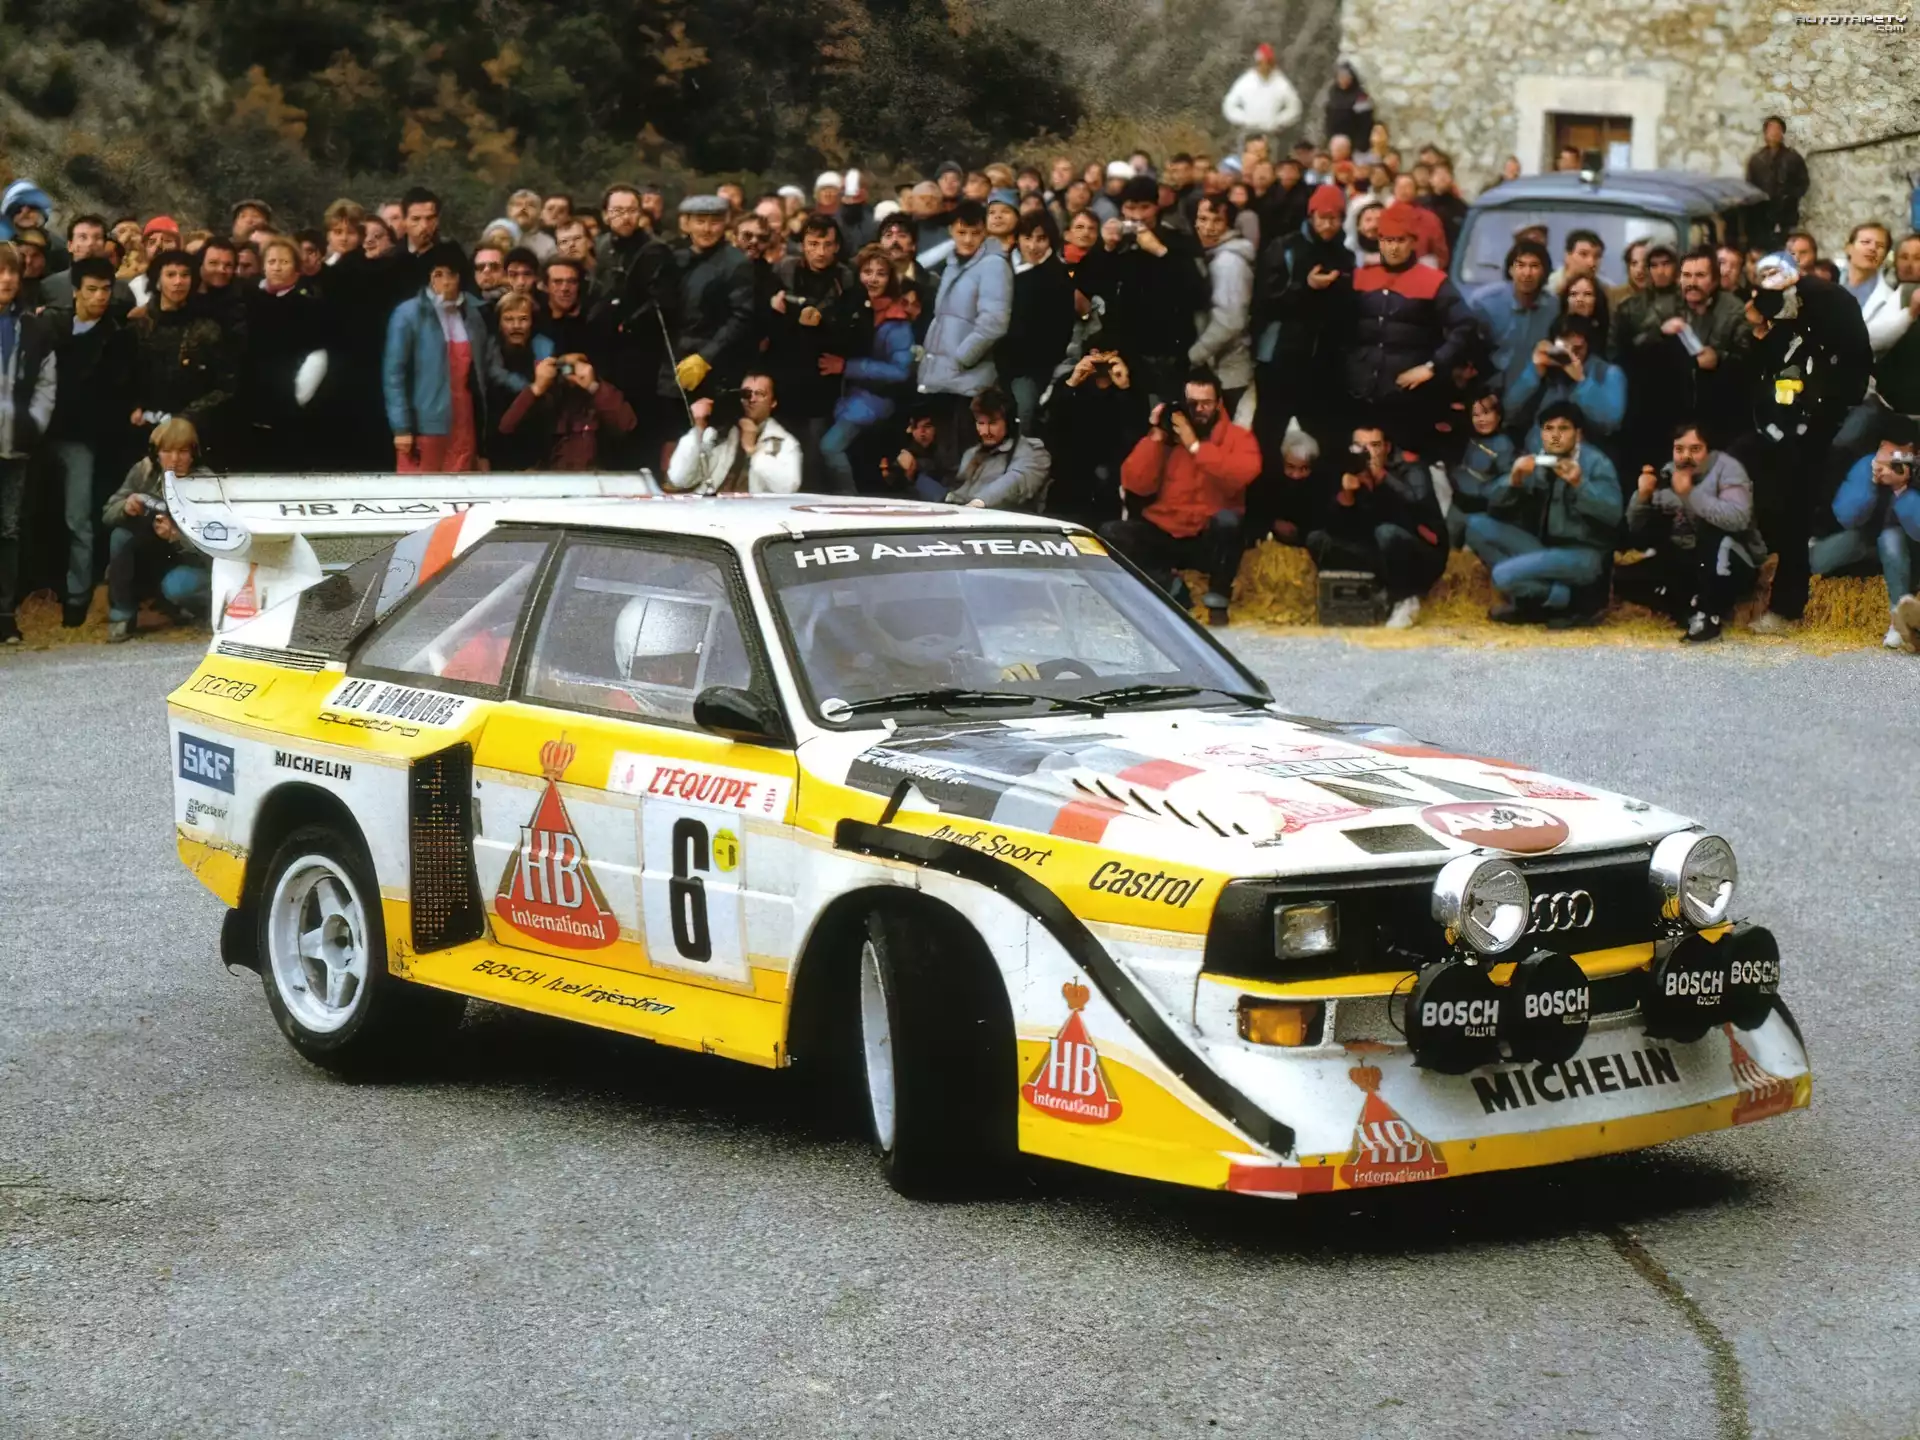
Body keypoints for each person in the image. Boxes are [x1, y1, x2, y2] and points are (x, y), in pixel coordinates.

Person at [1742, 253, 1874, 632]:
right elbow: (1764, 367)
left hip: (1820, 422)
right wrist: (1759, 333)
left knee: (1796, 511)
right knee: (1771, 502)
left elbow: (1853, 372)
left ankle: (1787, 608)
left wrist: (1817, 413)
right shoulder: (1775, 309)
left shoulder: (1830, 303)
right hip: (1777, 421)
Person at [1104, 369, 1262, 624]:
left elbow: (1243, 474)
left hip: (1206, 541)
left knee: (1228, 521)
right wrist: (1157, 436)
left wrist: (1195, 447)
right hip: (1166, 533)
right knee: (1112, 533)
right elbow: (1135, 484)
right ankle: (1171, 589)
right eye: (1193, 403)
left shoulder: (1237, 437)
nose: (1199, 410)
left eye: (1206, 403)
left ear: (1219, 403)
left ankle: (1217, 600)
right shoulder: (1167, 438)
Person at [1465, 400, 1623, 627]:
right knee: (1476, 526)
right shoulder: (1539, 459)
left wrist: (1580, 485)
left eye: (1563, 429)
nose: (1555, 436)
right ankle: (1550, 598)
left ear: (1578, 434)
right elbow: (1496, 507)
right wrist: (1513, 480)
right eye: (1548, 429)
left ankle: (1569, 602)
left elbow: (1614, 515)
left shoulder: (1597, 463)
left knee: (1502, 576)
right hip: (1546, 548)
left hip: (1585, 556)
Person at [1342, 206, 1477, 456]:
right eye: (1387, 240)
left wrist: (1432, 366)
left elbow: (1465, 325)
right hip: (1360, 394)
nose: (1393, 247)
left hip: (1408, 399)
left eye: (1400, 240)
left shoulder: (1434, 281)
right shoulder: (1359, 278)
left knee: (1408, 465)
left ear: (1413, 242)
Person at [1618, 422, 1767, 642]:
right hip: (1689, 560)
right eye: (1679, 449)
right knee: (1624, 579)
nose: (1686, 456)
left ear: (1709, 452)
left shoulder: (1728, 473)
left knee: (1715, 540)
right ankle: (1687, 605)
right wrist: (1642, 496)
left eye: (1695, 449)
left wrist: (1689, 494)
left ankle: (1707, 616)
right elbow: (1635, 528)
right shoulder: (1667, 475)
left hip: (1731, 559)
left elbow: (1737, 520)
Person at [383, 246, 523, 474]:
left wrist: (528, 387)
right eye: (438, 274)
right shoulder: (407, 315)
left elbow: (489, 367)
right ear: (428, 277)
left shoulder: (473, 315)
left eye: (452, 274)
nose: (446, 282)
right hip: (424, 425)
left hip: (465, 422)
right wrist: (401, 427)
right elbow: (393, 376)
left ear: (461, 277)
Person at [1076, 177, 1214, 407]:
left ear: (1156, 206)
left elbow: (1198, 294)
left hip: (1167, 353)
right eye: (1131, 207)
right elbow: (1086, 285)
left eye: (1144, 207)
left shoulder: (1178, 241)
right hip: (1123, 352)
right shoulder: (1116, 242)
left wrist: (1160, 252)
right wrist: (1106, 248)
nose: (1138, 215)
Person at [44, 255, 128, 626]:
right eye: (91, 289)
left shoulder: (116, 335)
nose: (99, 296)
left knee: (78, 518)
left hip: (82, 437)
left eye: (106, 289)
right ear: (75, 291)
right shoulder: (51, 325)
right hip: (39, 433)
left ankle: (77, 597)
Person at [1303, 420, 1448, 628]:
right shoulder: (1349, 467)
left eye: (1375, 445)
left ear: (1387, 447)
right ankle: (1359, 595)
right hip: (1377, 551)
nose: (1368, 453)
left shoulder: (1409, 466)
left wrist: (1382, 477)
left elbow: (1416, 505)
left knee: (1386, 533)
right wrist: (1347, 496)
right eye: (1361, 447)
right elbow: (1339, 528)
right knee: (1317, 539)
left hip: (1420, 553)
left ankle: (1405, 599)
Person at [1253, 183, 1352, 456]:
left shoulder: (1345, 256)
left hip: (1322, 363)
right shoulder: (1285, 248)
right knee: (1268, 434)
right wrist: (1305, 286)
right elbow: (1266, 299)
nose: (1328, 225)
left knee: (1326, 437)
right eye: (1323, 217)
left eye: (1335, 218)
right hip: (1281, 358)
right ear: (1311, 216)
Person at [916, 200, 1013, 467]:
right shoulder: (953, 264)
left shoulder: (994, 265)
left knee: (962, 458)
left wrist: (962, 358)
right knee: (945, 455)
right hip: (946, 377)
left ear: (985, 231)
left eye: (975, 232)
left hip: (968, 378)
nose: (968, 239)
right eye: (961, 232)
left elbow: (994, 322)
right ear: (951, 231)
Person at [661, 196, 757, 459]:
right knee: (671, 439)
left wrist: (705, 358)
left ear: (725, 224)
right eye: (700, 221)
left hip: (714, 367)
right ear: (686, 224)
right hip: (673, 364)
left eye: (714, 222)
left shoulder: (736, 262)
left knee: (708, 443)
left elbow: (742, 317)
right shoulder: (675, 257)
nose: (706, 229)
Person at [101, 417, 211, 643]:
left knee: (177, 586)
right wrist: (126, 507)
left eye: (182, 452)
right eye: (167, 451)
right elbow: (107, 514)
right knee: (121, 536)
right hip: (155, 557)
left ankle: (201, 611)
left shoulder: (206, 483)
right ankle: (122, 616)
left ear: (193, 454)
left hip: (193, 561)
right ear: (157, 454)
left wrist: (177, 537)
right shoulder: (144, 471)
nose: (174, 459)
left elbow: (216, 550)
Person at [1809, 429, 1920, 651]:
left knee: (1890, 539)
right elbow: (1846, 517)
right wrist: (1871, 482)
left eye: (1901, 454)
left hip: (1906, 546)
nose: (1895, 459)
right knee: (1821, 558)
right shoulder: (1867, 465)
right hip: (1866, 537)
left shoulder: (1916, 472)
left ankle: (1898, 621)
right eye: (1889, 452)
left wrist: (1901, 489)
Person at [818, 245, 916, 494]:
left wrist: (847, 367)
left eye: (880, 273)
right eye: (867, 272)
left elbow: (900, 371)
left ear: (890, 279)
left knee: (830, 446)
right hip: (848, 396)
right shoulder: (852, 306)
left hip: (875, 399)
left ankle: (846, 499)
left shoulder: (896, 319)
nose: (872, 279)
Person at [767, 214, 856, 482]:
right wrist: (776, 309)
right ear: (803, 245)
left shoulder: (845, 278)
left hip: (822, 379)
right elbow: (766, 319)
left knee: (815, 456)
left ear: (836, 246)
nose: (820, 251)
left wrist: (824, 320)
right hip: (786, 374)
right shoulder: (785, 270)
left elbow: (853, 330)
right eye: (813, 244)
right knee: (783, 451)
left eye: (827, 244)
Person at [127, 251, 237, 465]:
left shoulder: (207, 328)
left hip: (193, 433)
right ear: (157, 281)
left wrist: (186, 418)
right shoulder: (138, 326)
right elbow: (125, 376)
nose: (178, 281)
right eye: (171, 275)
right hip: (143, 430)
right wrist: (134, 406)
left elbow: (225, 386)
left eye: (185, 275)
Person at [0, 243, 58, 646]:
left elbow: (46, 383)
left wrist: (34, 423)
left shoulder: (33, 328)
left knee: (8, 530)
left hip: (15, 445)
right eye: (0, 271)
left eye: (12, 272)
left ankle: (4, 615)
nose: (6, 279)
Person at [240, 236, 329, 472]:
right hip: (252, 397)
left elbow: (317, 355)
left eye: (284, 262)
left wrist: (296, 396)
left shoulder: (309, 304)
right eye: (271, 262)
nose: (277, 267)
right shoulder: (251, 300)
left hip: (290, 400)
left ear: (297, 268)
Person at [1046, 347, 1148, 528]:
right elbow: (1052, 424)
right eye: (1096, 354)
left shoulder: (1133, 385)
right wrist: (1072, 383)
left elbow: (1137, 431)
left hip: (1113, 473)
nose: (1101, 360)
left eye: (1108, 355)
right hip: (1073, 470)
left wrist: (1124, 389)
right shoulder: (1070, 381)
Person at [997, 212, 1075, 432]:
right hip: (996, 363)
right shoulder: (1002, 267)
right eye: (1027, 238)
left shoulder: (1058, 276)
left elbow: (1061, 332)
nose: (1032, 246)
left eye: (1041, 239)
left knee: (1023, 418)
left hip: (1030, 369)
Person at [663, 372, 802, 495]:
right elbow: (679, 478)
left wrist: (753, 451)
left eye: (760, 394)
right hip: (711, 508)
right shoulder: (720, 434)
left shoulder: (784, 442)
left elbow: (787, 488)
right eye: (746, 393)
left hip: (754, 513)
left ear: (773, 402)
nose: (752, 399)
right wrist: (698, 429)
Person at [497, 352, 637, 470]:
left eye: (575, 366)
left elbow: (626, 425)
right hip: (552, 479)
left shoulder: (603, 395)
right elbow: (506, 427)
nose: (569, 372)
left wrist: (593, 386)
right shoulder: (547, 398)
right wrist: (536, 388)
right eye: (564, 367)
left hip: (592, 479)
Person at [1506, 313, 1625, 449]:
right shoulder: (1545, 367)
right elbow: (1508, 412)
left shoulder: (1607, 372)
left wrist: (1581, 380)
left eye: (1577, 348)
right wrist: (1534, 372)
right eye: (1565, 346)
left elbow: (1610, 423)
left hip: (1583, 455)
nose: (1571, 353)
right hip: (1539, 453)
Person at [921, 387, 1051, 511]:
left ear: (1009, 423)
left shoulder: (1033, 453)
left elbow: (1016, 481)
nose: (985, 431)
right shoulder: (971, 454)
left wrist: (979, 503)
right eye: (981, 423)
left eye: (992, 423)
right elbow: (956, 493)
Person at [1470, 238, 1559, 406]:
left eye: (1534, 266)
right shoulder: (1484, 302)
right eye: (1521, 265)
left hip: (1533, 394)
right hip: (1487, 393)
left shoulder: (1554, 307)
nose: (1527, 273)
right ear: (1510, 269)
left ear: (1544, 272)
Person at [1189, 196, 1256, 413]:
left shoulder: (1229, 262)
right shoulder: (1213, 255)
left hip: (1227, 370)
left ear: (1229, 225)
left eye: (1217, 220)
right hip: (1220, 368)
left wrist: (1193, 356)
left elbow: (1230, 321)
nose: (1209, 228)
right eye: (1203, 219)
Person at [1447, 388, 1516, 547]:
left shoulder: (1504, 444)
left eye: (1486, 413)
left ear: (1498, 415)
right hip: (1457, 506)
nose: (1481, 420)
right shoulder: (1466, 437)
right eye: (1476, 415)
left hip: (1483, 512)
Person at [1745, 116, 1810, 249]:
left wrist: (1790, 196)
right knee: (1764, 246)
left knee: (1787, 245)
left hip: (1787, 213)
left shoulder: (1793, 157)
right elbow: (1750, 185)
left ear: (1782, 133)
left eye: (1778, 129)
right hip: (1762, 214)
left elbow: (1803, 183)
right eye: (1771, 129)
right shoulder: (1756, 160)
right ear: (1765, 133)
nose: (1774, 133)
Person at [1222, 43, 1302, 144]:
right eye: (1262, 63)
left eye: (1268, 63)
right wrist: (1244, 119)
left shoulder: (1281, 83)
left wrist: (1277, 121)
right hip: (1248, 134)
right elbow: (1229, 104)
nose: (1265, 67)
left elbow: (1295, 107)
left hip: (1269, 136)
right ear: (1257, 63)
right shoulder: (1246, 81)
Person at [1322, 60, 1374, 147]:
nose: (1343, 79)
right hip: (1335, 143)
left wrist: (1360, 144)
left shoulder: (1360, 97)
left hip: (1355, 143)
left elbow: (1366, 124)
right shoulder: (1332, 93)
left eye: (1346, 76)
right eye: (1340, 76)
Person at [1561, 273, 1613, 354]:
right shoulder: (1558, 326)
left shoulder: (1606, 331)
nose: (1580, 299)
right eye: (1574, 294)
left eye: (1587, 294)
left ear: (1596, 299)